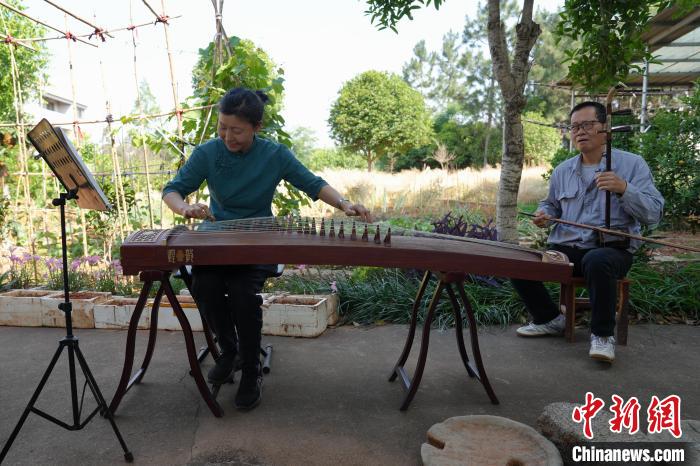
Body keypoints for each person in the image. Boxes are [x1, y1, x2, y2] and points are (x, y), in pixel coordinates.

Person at [162, 87, 371, 410]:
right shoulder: (207, 153)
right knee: (205, 284)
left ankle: (251, 369)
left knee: (243, 293)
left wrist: (344, 204)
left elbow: (312, 183)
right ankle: (229, 350)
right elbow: (173, 190)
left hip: (258, 239)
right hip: (216, 237)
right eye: (222, 128)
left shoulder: (274, 155)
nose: (227, 137)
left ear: (257, 127)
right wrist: (185, 208)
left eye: (237, 130)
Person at [512, 101, 664, 363]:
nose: (580, 131)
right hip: (567, 250)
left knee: (597, 260)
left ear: (605, 127)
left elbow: (654, 213)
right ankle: (550, 319)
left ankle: (602, 336)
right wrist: (543, 215)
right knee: (518, 261)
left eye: (587, 124)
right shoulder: (563, 170)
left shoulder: (632, 165)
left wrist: (624, 188)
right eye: (574, 127)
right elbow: (551, 205)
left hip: (612, 250)